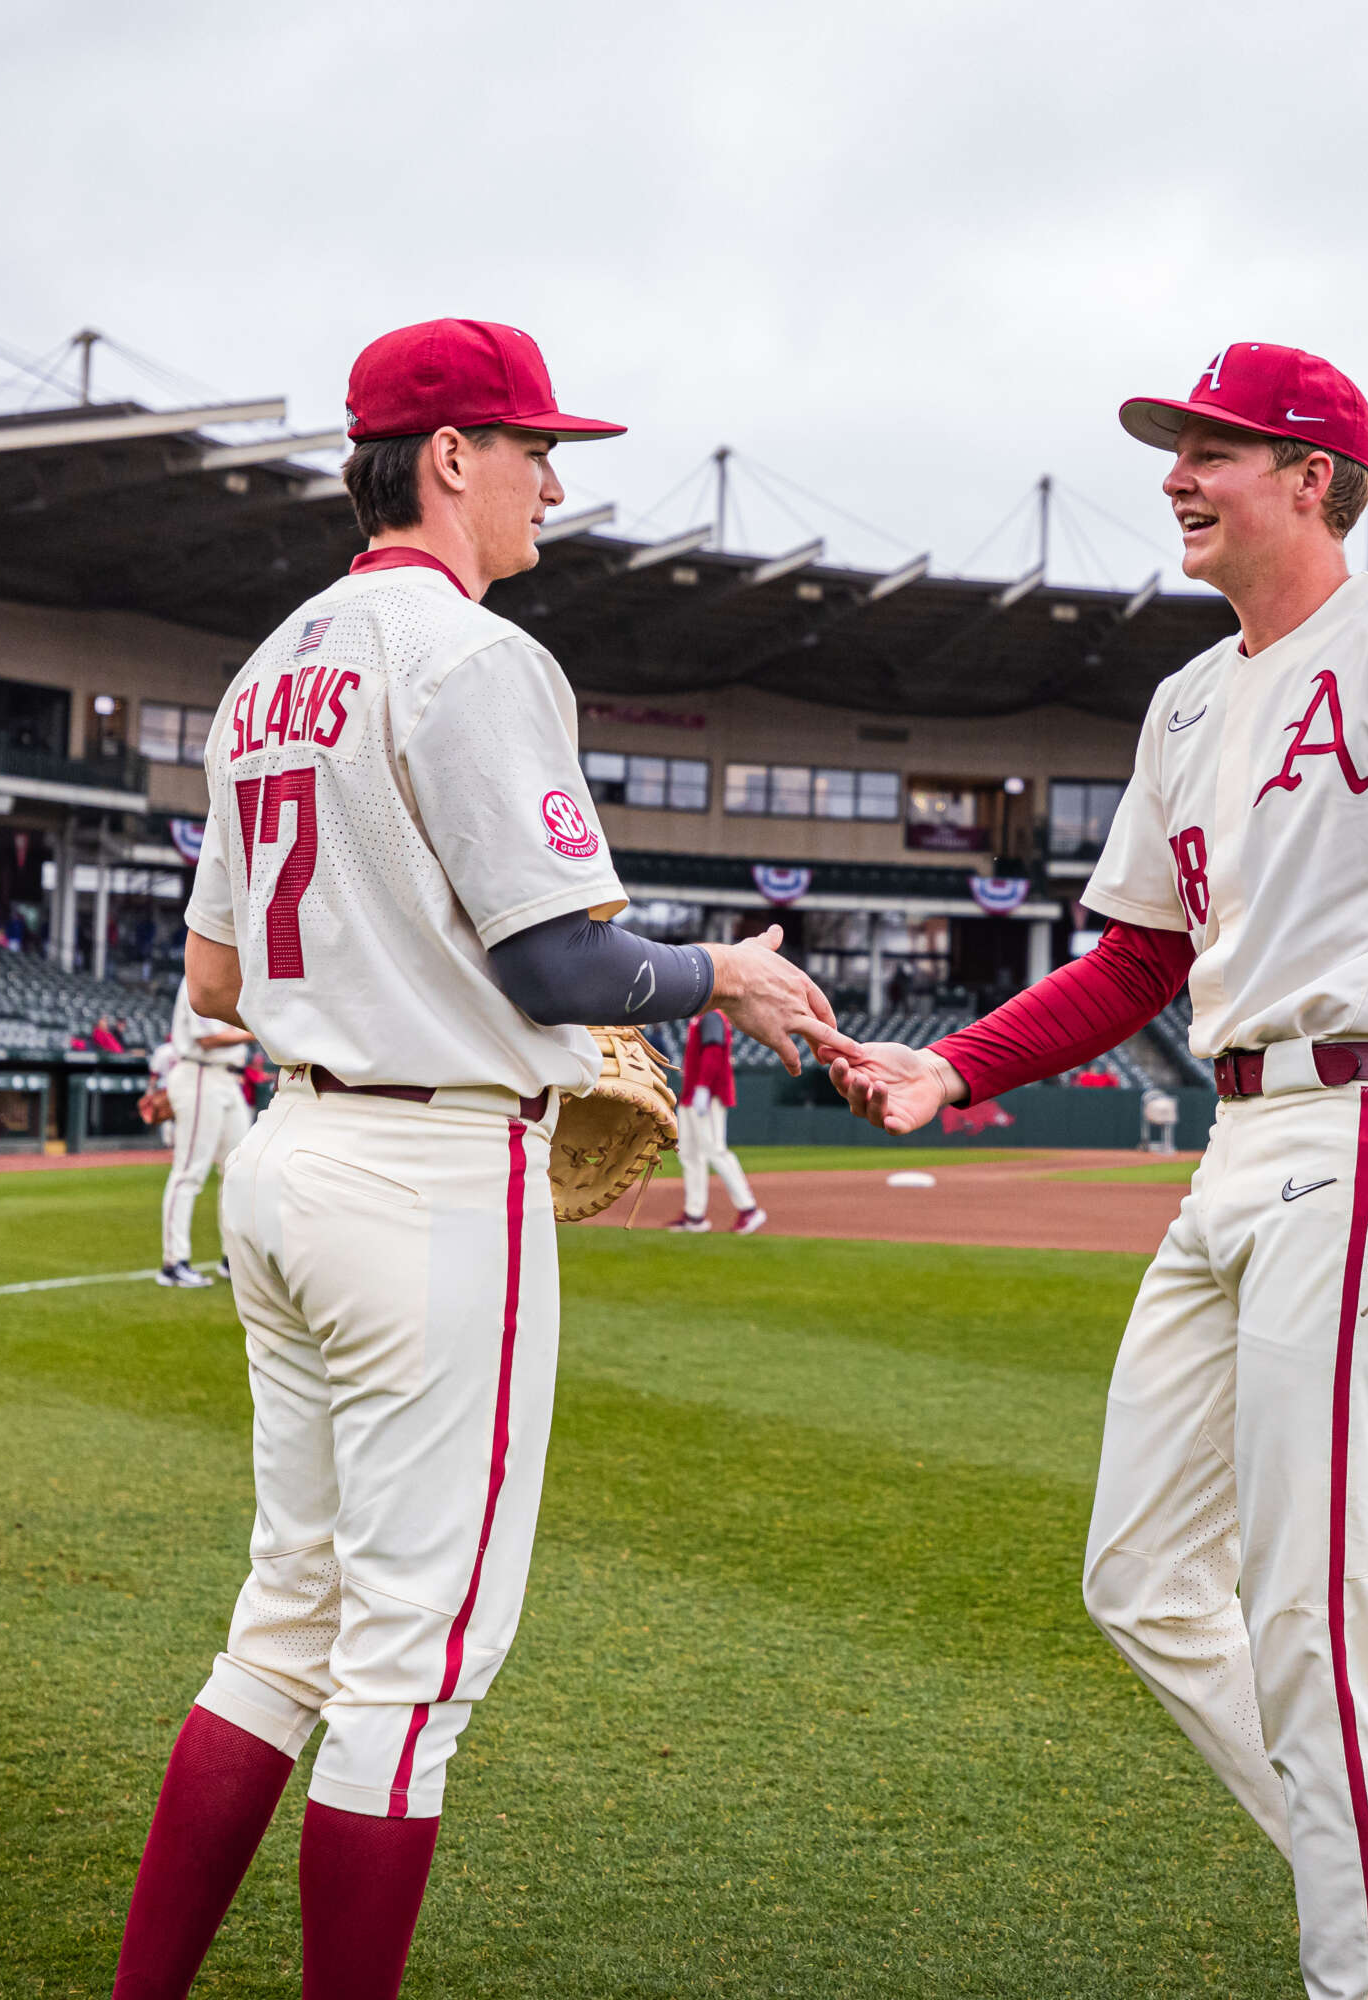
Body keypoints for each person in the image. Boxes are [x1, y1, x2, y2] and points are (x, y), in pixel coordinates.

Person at [820, 341, 1368, 2000]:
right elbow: (1137, 965)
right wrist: (953, 1063)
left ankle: (1363, 1978)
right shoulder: (1189, 699)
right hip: (1240, 1144)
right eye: (1173, 448)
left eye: (1208, 448)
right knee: (1140, 1577)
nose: (1173, 477)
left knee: (1305, 1609)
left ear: (1310, 477)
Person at [108, 318, 833, 2000]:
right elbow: (559, 969)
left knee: (283, 1620)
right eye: (534, 449)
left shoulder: (269, 663)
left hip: (286, 1154)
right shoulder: (470, 652)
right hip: (430, 1181)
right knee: (412, 1670)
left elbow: (215, 979)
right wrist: (723, 970)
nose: (554, 484)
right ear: (450, 458)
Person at [155, 978, 254, 1287]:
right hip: (200, 1074)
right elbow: (207, 1039)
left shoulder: (238, 975)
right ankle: (173, 1263)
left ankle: (232, 1259)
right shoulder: (199, 977)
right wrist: (257, 1031)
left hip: (227, 1080)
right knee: (189, 1171)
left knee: (239, 1169)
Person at [666, 1006, 765, 1234]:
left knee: (715, 1151)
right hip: (691, 1096)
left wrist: (703, 1087)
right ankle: (694, 1215)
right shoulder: (700, 1017)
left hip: (708, 1096)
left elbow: (713, 1052)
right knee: (690, 1154)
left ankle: (748, 1209)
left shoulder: (712, 1016)